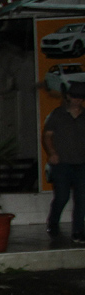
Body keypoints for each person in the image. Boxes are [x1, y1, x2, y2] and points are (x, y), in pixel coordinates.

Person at [43, 81, 85, 242]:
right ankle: (53, 223)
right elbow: (47, 135)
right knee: (62, 196)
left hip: (81, 162)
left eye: (80, 97)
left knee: (82, 198)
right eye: (75, 97)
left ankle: (78, 231)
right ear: (68, 96)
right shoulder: (58, 114)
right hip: (62, 162)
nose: (77, 100)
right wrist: (52, 152)